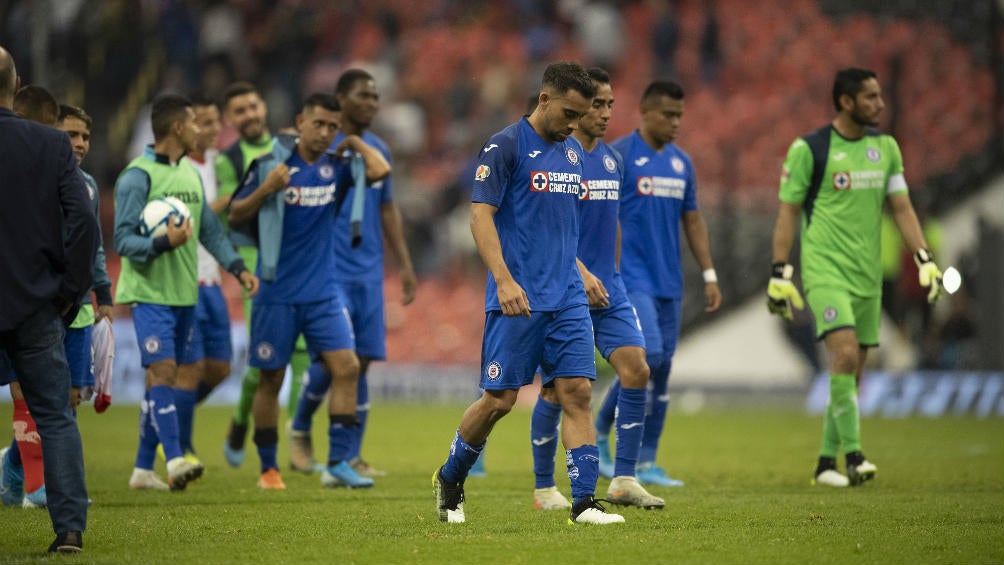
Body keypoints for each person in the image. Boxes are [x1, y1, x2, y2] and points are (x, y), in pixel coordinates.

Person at [432, 61, 623, 525]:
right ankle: (450, 478)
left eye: (582, 115)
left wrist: (580, 272)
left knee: (576, 392)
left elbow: (560, 228)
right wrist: (503, 278)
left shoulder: (573, 154)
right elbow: (479, 216)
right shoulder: (505, 146)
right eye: (570, 113)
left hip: (567, 297)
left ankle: (584, 503)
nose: (575, 124)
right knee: (499, 400)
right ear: (544, 100)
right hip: (517, 299)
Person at [767, 67, 943, 487]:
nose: (880, 105)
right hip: (825, 270)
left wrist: (924, 259)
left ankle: (826, 464)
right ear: (845, 102)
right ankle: (856, 456)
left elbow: (901, 207)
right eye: (870, 98)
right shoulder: (810, 149)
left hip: (868, 277)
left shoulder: (886, 148)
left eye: (880, 96)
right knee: (843, 356)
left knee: (853, 372)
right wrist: (780, 272)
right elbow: (788, 212)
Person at [228, 93, 390, 490]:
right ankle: (268, 468)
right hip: (276, 293)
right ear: (300, 121)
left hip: (322, 292)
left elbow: (381, 169)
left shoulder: (338, 168)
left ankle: (337, 463)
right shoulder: (271, 166)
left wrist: (354, 142)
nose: (325, 133)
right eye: (318, 124)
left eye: (332, 127)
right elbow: (234, 214)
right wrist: (266, 188)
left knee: (348, 367)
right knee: (271, 378)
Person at [529, 67, 665, 511]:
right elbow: (546, 229)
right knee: (557, 390)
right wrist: (581, 272)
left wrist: (613, 272)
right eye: (598, 104)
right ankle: (543, 487)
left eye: (609, 104)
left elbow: (614, 223)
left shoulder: (612, 160)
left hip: (610, 287)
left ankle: (623, 478)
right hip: (566, 286)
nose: (605, 113)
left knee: (638, 369)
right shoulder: (556, 157)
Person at [114, 93, 258, 492]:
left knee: (181, 375)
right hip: (149, 292)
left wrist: (237, 268)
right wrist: (162, 243)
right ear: (178, 128)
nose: (200, 128)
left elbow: (210, 229)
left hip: (185, 295)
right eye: (194, 121)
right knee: (163, 372)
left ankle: (143, 469)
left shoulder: (188, 175)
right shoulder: (136, 176)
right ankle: (175, 457)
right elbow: (123, 240)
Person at [288, 69, 417, 477]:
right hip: (328, 271)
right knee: (334, 360)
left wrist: (405, 264)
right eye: (363, 95)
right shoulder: (321, 148)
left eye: (376, 97)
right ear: (340, 98)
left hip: (368, 271)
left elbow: (387, 208)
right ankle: (300, 428)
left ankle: (349, 455)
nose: (372, 103)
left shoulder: (377, 149)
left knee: (361, 362)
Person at [597, 81, 722, 488]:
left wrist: (709, 273)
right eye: (668, 114)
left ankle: (648, 461)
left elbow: (693, 219)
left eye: (679, 116)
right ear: (645, 112)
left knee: (663, 369)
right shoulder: (618, 156)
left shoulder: (682, 163)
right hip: (631, 278)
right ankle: (600, 431)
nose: (675, 123)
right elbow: (598, 214)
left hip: (670, 280)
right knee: (646, 355)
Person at [0, 45, 98, 554]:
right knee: (56, 416)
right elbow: (83, 222)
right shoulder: (50, 145)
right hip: (35, 303)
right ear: (15, 88)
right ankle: (69, 531)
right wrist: (69, 292)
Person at [217, 82, 313, 467]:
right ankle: (241, 420)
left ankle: (297, 439)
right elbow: (230, 208)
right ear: (231, 119)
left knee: (305, 355)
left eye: (253, 106)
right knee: (265, 362)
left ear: (264, 107)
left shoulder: (290, 147)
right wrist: (264, 182)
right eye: (239, 111)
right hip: (257, 269)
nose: (250, 115)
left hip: (297, 262)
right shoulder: (230, 160)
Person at [169, 93, 229, 463]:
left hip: (214, 280)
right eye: (204, 122)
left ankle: (171, 416)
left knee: (220, 368)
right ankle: (182, 445)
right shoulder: (180, 167)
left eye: (215, 121)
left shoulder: (216, 164)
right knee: (188, 369)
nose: (212, 129)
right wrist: (239, 196)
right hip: (187, 280)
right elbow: (199, 214)